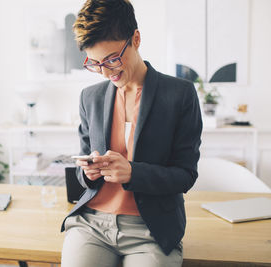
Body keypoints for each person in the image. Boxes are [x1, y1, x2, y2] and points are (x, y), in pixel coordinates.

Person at [60, 0, 203, 266]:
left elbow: (186, 175)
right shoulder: (89, 97)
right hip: (92, 225)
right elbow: (80, 172)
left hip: (151, 229)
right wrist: (88, 172)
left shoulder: (179, 95)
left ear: (136, 39)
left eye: (113, 59)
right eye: (95, 63)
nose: (105, 71)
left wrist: (133, 172)